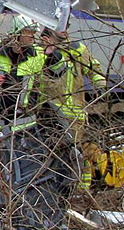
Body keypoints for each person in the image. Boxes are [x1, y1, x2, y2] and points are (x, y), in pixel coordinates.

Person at [37, 28, 107, 188]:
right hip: (50, 112)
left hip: (74, 114)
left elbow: (94, 69)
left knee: (79, 155)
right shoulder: (39, 53)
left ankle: (81, 192)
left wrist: (101, 86)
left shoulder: (77, 49)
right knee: (56, 156)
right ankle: (63, 189)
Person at [0, 14, 45, 132]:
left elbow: (56, 71)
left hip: (25, 123)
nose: (32, 36)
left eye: (33, 32)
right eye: (28, 32)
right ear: (17, 33)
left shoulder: (39, 54)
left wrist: (55, 55)